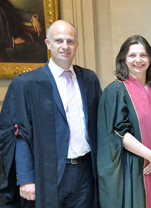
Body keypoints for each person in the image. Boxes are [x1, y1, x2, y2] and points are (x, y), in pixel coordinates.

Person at [0, 20, 101, 207]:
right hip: (47, 175)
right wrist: (26, 178)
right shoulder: (26, 84)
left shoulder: (89, 79)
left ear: (76, 45)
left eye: (70, 41)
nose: (65, 46)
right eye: (59, 41)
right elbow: (18, 135)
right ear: (48, 43)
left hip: (85, 174)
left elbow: (100, 126)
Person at [96, 35, 151, 208]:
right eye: (132, 55)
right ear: (123, 59)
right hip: (136, 168)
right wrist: (150, 156)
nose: (138, 60)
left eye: (143, 55)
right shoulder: (116, 90)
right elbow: (118, 132)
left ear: (150, 58)